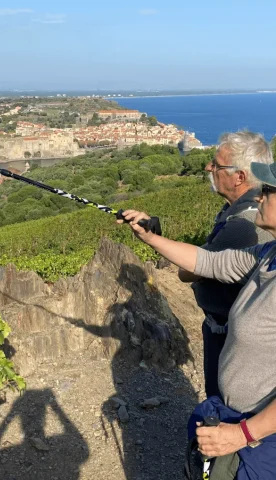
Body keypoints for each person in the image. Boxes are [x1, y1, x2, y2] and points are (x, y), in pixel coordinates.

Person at [117, 159, 276, 478]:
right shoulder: (267, 255)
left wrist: (242, 435)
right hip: (235, 416)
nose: (259, 196)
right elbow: (208, 262)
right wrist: (151, 238)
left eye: (269, 191)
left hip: (260, 438)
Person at [178, 131, 273, 397]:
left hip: (228, 336)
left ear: (239, 177)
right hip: (227, 330)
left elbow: (191, 270)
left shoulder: (243, 225)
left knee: (222, 404)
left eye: (216, 165)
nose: (209, 167)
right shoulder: (235, 212)